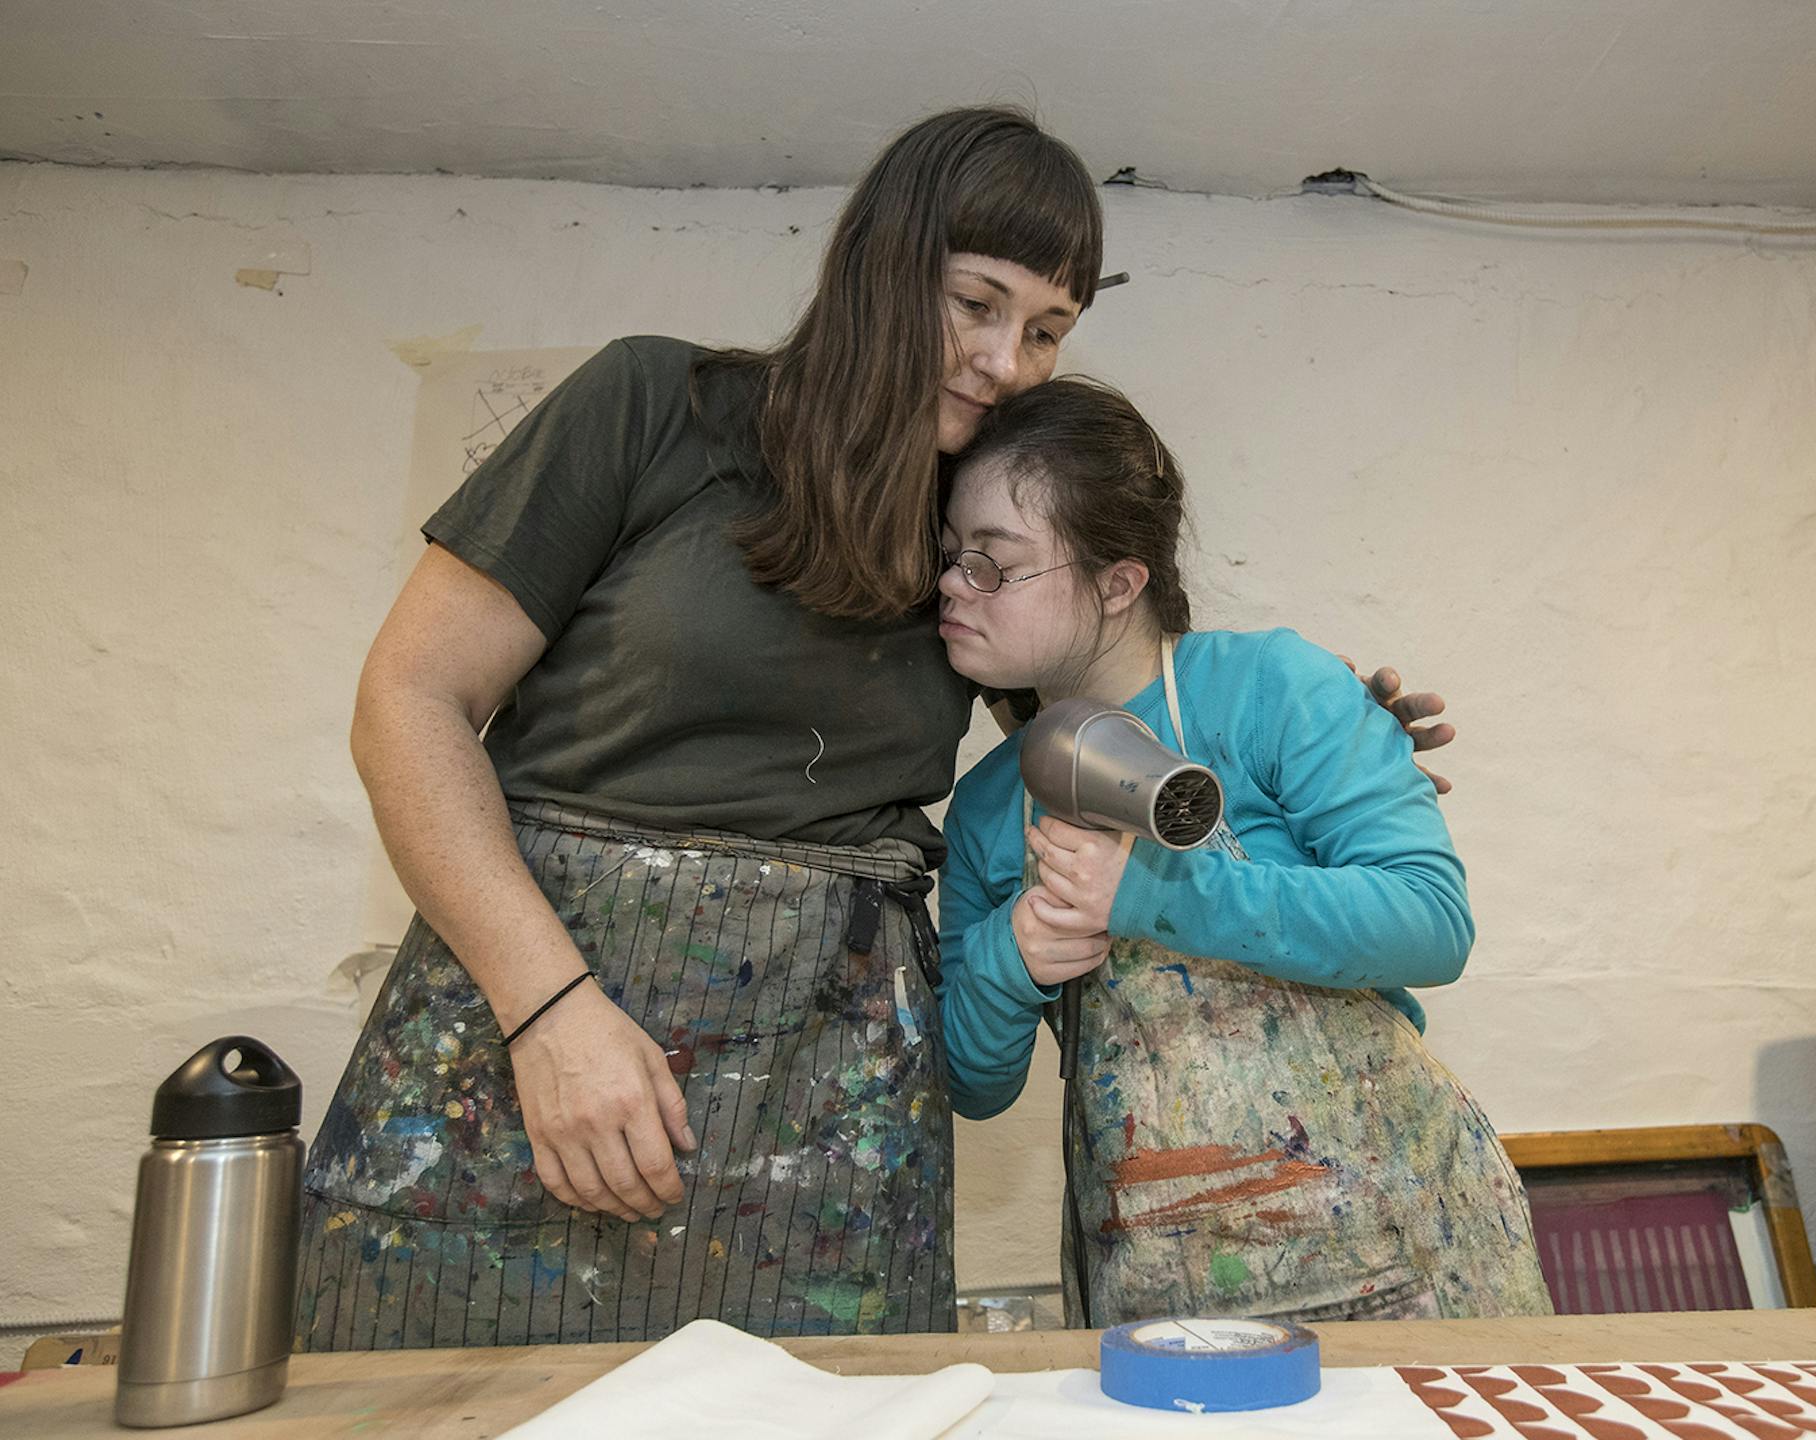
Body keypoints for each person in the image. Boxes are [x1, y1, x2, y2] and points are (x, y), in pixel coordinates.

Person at [297, 106, 1456, 1350]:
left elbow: (1113, 710)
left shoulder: (963, 541)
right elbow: (411, 703)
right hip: (547, 1029)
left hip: (828, 1099)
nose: (1006, 361)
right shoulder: (651, 404)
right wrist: (549, 1013)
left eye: (1048, 330)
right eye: (975, 302)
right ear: (881, 260)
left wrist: (1338, 738)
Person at [935, 377, 1551, 1326]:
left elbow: (1431, 922)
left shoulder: (1274, 688)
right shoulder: (984, 807)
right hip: (1156, 1280)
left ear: (1118, 581)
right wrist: (1011, 958)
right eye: (951, 556)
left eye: (994, 563)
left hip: (1400, 1246)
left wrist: (1146, 892)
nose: (953, 584)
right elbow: (975, 1085)